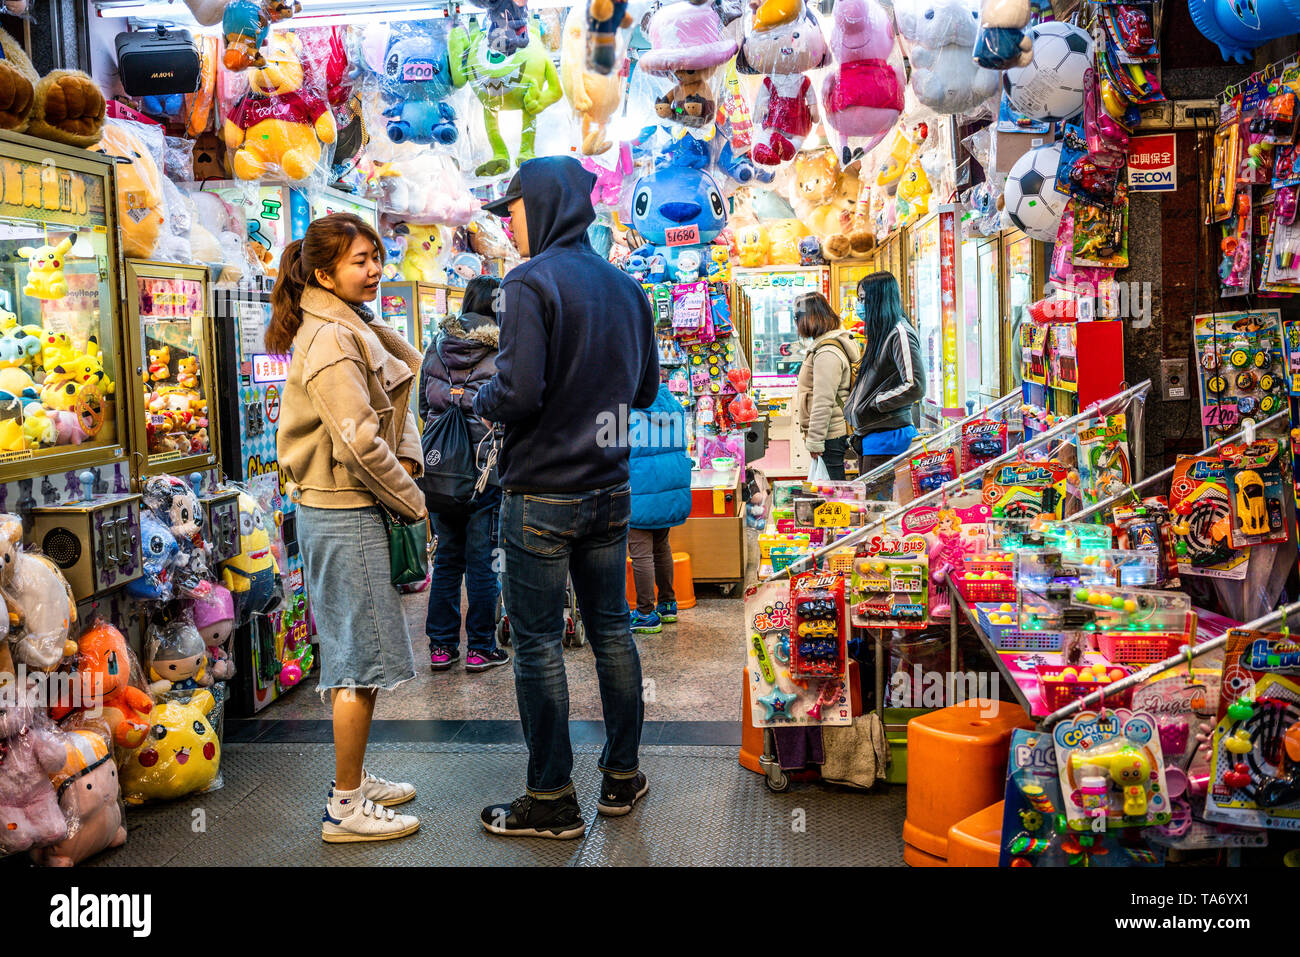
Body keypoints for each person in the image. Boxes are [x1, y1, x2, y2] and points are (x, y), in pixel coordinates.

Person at [473, 155, 659, 839]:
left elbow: (518, 392)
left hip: (541, 495)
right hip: (609, 492)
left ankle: (551, 796)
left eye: (511, 210)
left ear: (544, 204)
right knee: (612, 629)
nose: (508, 225)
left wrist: (476, 396)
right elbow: (643, 392)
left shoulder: (528, 282)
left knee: (538, 643)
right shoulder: (625, 287)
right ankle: (621, 776)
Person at [273, 212, 426, 844]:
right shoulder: (333, 339)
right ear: (321, 272)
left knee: (354, 653)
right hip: (344, 509)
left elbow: (400, 383)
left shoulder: (347, 326)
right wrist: (413, 500)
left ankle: (353, 780)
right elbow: (361, 441)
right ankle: (345, 806)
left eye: (376, 258)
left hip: (344, 508)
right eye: (360, 260)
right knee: (356, 659)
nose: (374, 270)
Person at [419, 275, 509, 673]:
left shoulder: (436, 347)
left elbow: (423, 406)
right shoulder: (505, 350)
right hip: (483, 472)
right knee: (483, 563)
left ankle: (440, 648)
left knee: (447, 561)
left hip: (438, 473)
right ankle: (480, 648)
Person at [845, 271, 926, 492]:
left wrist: (877, 403)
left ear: (879, 298)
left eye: (863, 299)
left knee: (878, 511)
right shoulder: (882, 332)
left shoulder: (899, 333)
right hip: (871, 438)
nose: (860, 306)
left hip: (888, 438)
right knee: (870, 509)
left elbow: (915, 385)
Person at [627, 383, 691, 634]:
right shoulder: (672, 403)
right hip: (669, 486)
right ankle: (667, 603)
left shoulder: (628, 409)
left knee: (640, 551)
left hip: (641, 488)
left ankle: (645, 613)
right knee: (661, 545)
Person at [792, 291, 861, 481]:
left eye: (797, 318)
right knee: (833, 488)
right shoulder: (828, 345)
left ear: (808, 319)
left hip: (831, 434)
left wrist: (815, 441)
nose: (796, 324)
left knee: (833, 492)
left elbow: (823, 400)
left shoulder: (827, 352)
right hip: (833, 432)